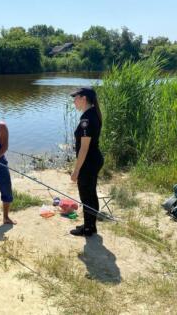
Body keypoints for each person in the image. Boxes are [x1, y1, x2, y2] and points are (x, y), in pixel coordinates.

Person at [69, 87, 104, 237]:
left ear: (83, 99)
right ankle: (91, 225)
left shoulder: (86, 120)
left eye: (75, 98)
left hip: (88, 163)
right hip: (94, 160)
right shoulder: (93, 114)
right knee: (91, 193)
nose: (74, 102)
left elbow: (84, 149)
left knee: (86, 195)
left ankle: (88, 228)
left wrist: (76, 171)